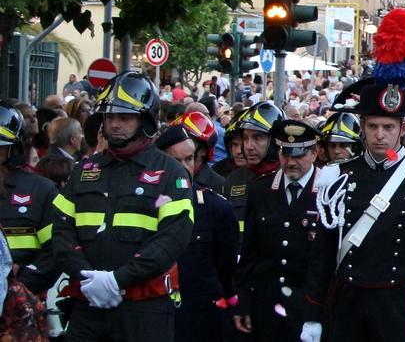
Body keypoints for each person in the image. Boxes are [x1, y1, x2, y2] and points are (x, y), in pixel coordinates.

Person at [304, 9, 405, 342]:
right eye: (372, 126)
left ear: (403, 128)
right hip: (348, 302)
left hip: (399, 303)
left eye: (388, 127)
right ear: (361, 128)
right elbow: (323, 254)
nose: (380, 135)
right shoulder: (338, 176)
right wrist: (313, 313)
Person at [49, 72, 195, 342]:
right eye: (110, 117)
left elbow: (172, 239)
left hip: (145, 310)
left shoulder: (170, 172)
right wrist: (89, 279)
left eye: (124, 117)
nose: (114, 124)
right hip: (88, 303)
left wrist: (117, 280)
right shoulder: (84, 170)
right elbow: (60, 231)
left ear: (145, 120)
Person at [232, 118, 322, 340]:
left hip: (309, 307)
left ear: (315, 152)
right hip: (267, 305)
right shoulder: (260, 190)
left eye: (298, 154)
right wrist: (243, 301)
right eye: (285, 154)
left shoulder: (329, 191)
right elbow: (250, 252)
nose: (291, 162)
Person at [154, 116, 238, 342]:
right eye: (175, 160)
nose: (184, 167)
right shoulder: (142, 205)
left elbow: (227, 269)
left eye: (189, 159)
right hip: (156, 316)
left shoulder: (216, 208)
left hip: (201, 321)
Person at [0, 101, 60, 328]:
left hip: (21, 310)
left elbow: (55, 251)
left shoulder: (40, 191)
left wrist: (17, 287)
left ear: (13, 148)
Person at [222, 101, 283, 243]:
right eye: (245, 138)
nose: (249, 146)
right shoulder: (234, 180)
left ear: (274, 141)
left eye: (257, 138)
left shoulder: (289, 178)